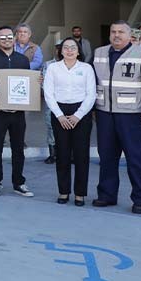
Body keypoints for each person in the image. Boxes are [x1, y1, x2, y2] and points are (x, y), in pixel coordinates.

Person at [91, 21, 141, 214]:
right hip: (104, 113)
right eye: (113, 32)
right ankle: (107, 195)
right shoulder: (99, 53)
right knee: (107, 156)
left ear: (129, 34)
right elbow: (90, 81)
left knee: (136, 157)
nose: (116, 35)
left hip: (132, 115)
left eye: (121, 32)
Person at [43, 38, 95, 206]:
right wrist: (59, 116)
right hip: (59, 113)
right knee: (63, 154)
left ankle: (80, 194)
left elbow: (91, 94)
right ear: (61, 50)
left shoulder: (86, 68)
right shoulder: (53, 68)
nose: (70, 50)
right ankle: (63, 191)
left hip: (81, 113)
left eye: (73, 48)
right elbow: (48, 93)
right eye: (66, 47)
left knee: (81, 155)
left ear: (78, 51)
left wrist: (77, 116)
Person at [0, 26, 33, 197]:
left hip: (18, 112)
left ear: (14, 38)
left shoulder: (23, 60)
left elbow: (27, 85)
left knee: (18, 148)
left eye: (9, 37)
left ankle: (19, 182)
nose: (6, 40)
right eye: (2, 37)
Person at [41, 42, 63, 164]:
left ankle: (68, 154)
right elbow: (44, 84)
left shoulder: (71, 64)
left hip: (68, 101)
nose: (60, 51)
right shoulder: (48, 65)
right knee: (51, 127)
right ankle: (53, 154)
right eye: (58, 48)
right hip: (52, 102)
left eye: (62, 48)